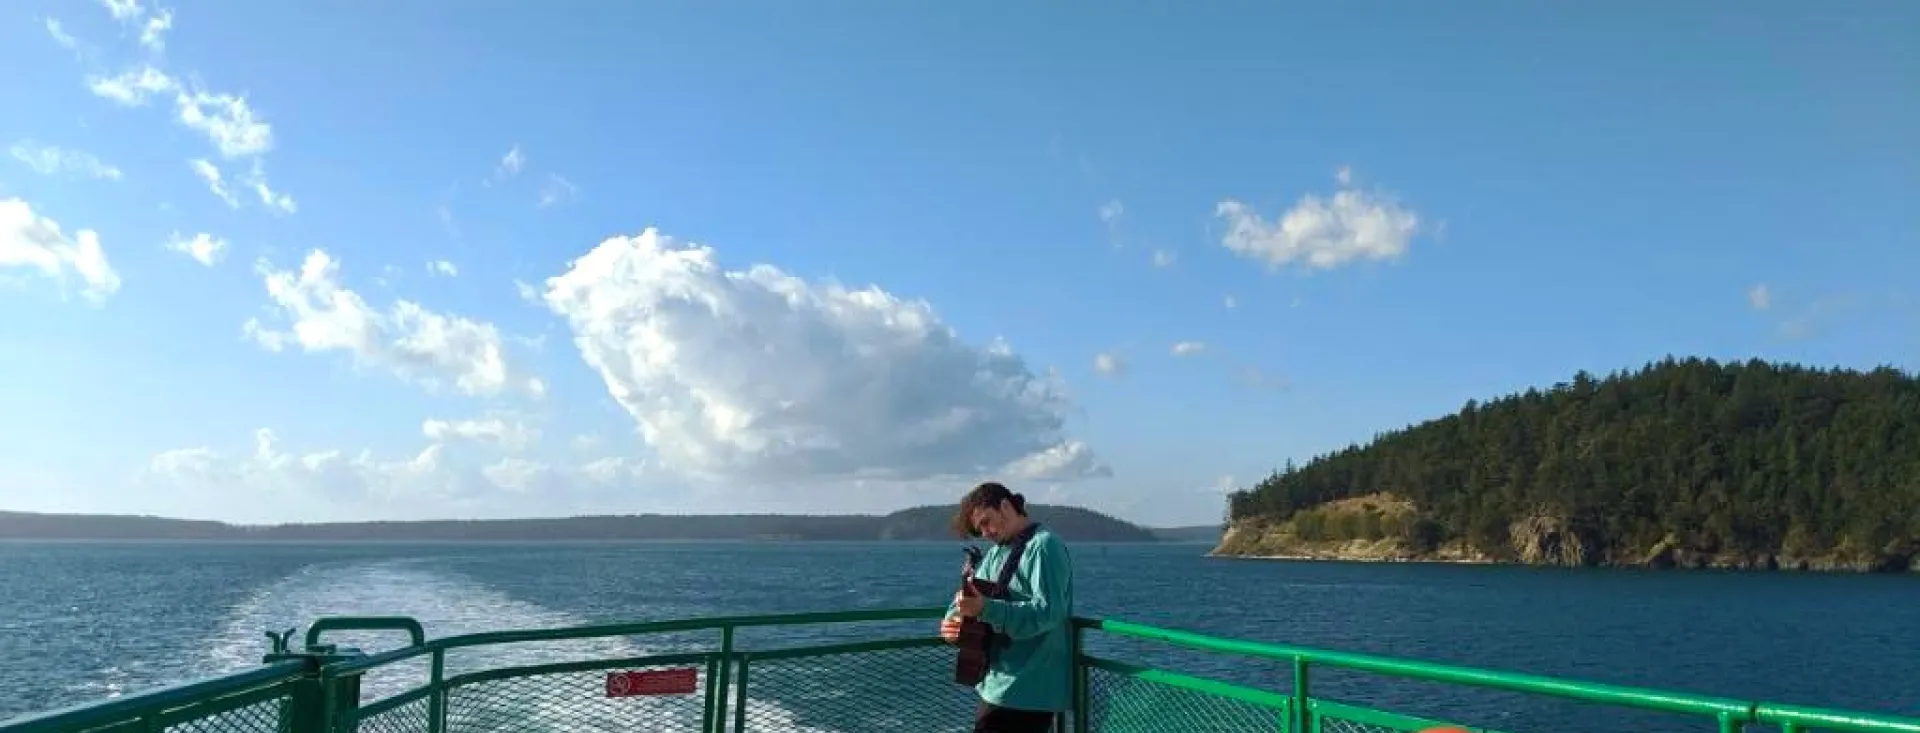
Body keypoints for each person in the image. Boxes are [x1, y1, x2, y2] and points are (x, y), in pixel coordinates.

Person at [940, 482, 1075, 733]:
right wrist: (952, 621)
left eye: (986, 522)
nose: (985, 533)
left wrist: (984, 609)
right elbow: (968, 596)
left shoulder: (1044, 546)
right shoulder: (996, 553)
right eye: (979, 529)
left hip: (1030, 687)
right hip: (998, 683)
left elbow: (1048, 612)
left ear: (1005, 506)